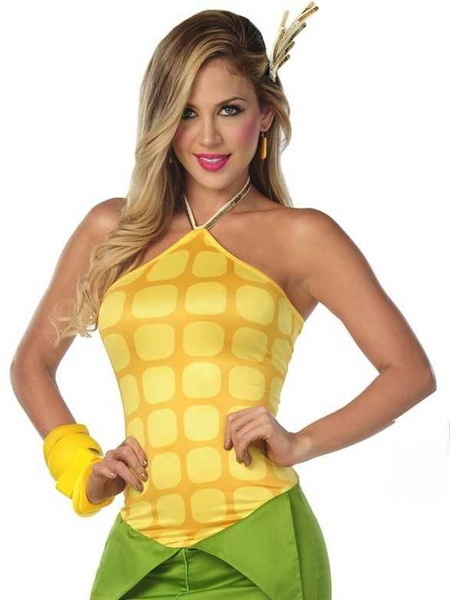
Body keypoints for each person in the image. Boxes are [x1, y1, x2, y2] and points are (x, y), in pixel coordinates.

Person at [9, 4, 436, 599]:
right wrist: (81, 468)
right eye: (186, 112)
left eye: (229, 110)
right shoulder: (112, 229)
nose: (207, 137)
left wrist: (301, 443)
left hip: (260, 550)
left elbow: (410, 372)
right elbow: (32, 365)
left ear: (265, 114)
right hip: (140, 549)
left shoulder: (302, 236)